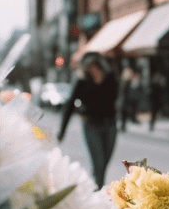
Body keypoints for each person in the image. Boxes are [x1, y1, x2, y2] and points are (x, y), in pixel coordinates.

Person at [57, 52, 118, 188]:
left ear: (101, 66)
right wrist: (62, 131)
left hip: (110, 125)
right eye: (90, 68)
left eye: (96, 67)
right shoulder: (82, 81)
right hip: (92, 126)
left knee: (104, 163)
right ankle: (98, 192)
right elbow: (70, 105)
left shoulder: (110, 78)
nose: (94, 71)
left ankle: (97, 189)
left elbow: (115, 99)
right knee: (99, 162)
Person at [118, 66, 142, 132]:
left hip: (128, 99)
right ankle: (123, 125)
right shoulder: (124, 82)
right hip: (124, 100)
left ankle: (128, 122)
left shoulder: (129, 82)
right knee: (124, 112)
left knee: (126, 111)